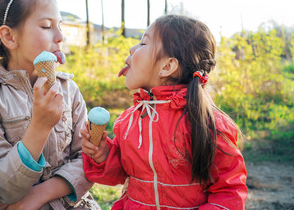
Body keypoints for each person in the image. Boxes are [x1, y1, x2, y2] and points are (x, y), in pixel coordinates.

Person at [81, 15, 248, 210]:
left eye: (143, 43)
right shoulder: (129, 120)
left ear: (167, 67)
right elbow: (120, 173)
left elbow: (229, 192)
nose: (131, 49)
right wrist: (104, 155)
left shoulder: (205, 123)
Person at [0, 0, 100, 210]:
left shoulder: (69, 89)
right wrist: (39, 126)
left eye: (60, 26)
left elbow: (89, 161)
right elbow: (1, 187)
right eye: (46, 26)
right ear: (9, 36)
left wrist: (38, 196)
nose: (60, 37)